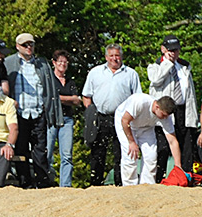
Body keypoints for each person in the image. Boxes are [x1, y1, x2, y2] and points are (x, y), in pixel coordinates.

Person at [4, 32, 63, 189]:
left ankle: (43, 182)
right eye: (25, 45)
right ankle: (25, 182)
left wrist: (52, 112)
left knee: (40, 150)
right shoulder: (9, 63)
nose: (28, 47)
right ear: (17, 46)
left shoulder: (42, 64)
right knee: (21, 149)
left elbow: (51, 90)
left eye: (31, 44)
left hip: (38, 113)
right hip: (19, 114)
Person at [82, 44, 142, 186]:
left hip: (122, 119)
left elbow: (137, 98)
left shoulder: (131, 74)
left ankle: (119, 183)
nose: (114, 58)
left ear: (121, 56)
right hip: (100, 117)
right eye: (111, 56)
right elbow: (86, 95)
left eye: (117, 55)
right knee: (98, 151)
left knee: (120, 151)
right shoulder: (95, 72)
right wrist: (90, 114)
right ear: (106, 57)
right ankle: (95, 183)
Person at [148, 35, 198, 180]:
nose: (173, 53)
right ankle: (158, 178)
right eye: (170, 50)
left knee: (186, 147)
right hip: (164, 112)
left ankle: (185, 177)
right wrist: (167, 63)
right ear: (163, 49)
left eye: (176, 50)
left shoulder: (184, 67)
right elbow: (156, 80)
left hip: (183, 110)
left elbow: (190, 92)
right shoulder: (155, 66)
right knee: (163, 148)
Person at [114, 93, 181, 185]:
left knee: (151, 155)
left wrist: (178, 166)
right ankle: (129, 186)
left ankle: (147, 185)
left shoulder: (166, 117)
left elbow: (172, 141)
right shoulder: (140, 102)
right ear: (157, 107)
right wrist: (131, 142)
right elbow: (125, 121)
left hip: (146, 127)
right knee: (131, 155)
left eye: (166, 116)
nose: (164, 118)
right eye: (163, 115)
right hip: (126, 124)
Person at [47, 50, 81, 188]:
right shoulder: (49, 80)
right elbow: (48, 97)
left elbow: (77, 100)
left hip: (67, 119)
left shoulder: (70, 81)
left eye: (65, 62)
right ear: (54, 63)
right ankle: (47, 182)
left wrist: (59, 98)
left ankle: (65, 185)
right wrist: (69, 99)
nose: (63, 64)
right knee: (47, 153)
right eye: (60, 61)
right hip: (51, 118)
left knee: (67, 155)